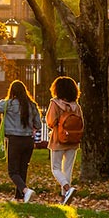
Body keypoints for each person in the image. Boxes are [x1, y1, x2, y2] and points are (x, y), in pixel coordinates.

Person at [0, 80, 43, 203]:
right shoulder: (32, 105)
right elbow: (38, 124)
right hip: (28, 141)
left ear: (12, 91)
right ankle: (20, 197)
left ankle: (25, 191)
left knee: (13, 171)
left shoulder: (8, 104)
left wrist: (4, 101)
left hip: (14, 140)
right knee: (22, 169)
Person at [46, 76, 81, 205]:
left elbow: (50, 122)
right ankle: (65, 196)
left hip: (58, 140)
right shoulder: (75, 106)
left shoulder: (55, 103)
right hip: (73, 140)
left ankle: (67, 188)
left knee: (55, 168)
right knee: (68, 169)